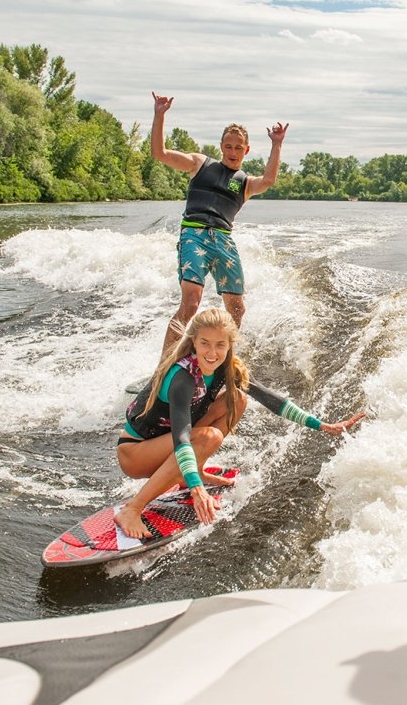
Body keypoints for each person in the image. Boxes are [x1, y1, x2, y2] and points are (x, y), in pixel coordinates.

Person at [114, 307, 364, 538]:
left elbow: (271, 400)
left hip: (166, 445)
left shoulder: (228, 368)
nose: (212, 353)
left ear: (229, 345)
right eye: (205, 343)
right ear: (193, 342)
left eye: (220, 345)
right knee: (208, 437)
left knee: (237, 399)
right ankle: (132, 508)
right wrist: (197, 490)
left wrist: (322, 425)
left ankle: (189, 471)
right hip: (136, 453)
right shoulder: (183, 378)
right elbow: (182, 437)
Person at [150, 92, 289, 352]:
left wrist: (277, 144)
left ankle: (220, 360)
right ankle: (165, 365)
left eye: (238, 147)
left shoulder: (245, 183)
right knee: (191, 302)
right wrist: (159, 115)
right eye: (228, 146)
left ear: (246, 150)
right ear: (221, 147)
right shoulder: (200, 164)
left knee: (237, 308)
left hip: (223, 240)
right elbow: (160, 153)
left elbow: (269, 180)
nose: (233, 152)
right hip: (194, 234)